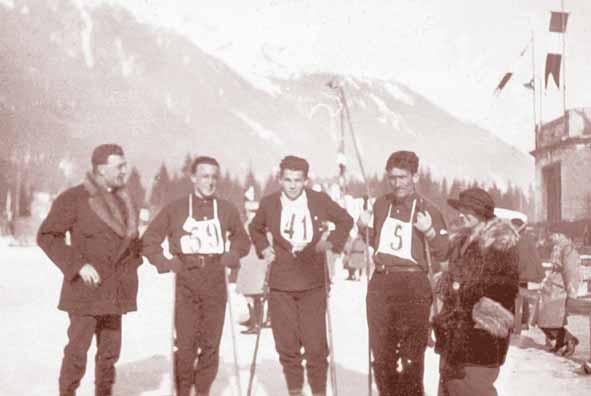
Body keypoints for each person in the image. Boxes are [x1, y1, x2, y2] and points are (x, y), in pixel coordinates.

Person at [37, 144, 143, 396]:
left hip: (115, 291)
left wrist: (137, 260)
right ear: (100, 169)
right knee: (77, 352)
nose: (124, 171)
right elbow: (47, 236)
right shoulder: (74, 198)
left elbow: (132, 243)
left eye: (124, 165)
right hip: (86, 292)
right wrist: (77, 265)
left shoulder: (125, 200)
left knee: (109, 355)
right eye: (119, 166)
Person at [141, 156, 251, 396]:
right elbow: (148, 241)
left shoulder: (226, 209)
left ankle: (202, 391)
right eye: (204, 176)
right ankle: (182, 391)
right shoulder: (176, 208)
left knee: (211, 345)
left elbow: (243, 240)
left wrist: (232, 255)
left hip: (214, 278)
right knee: (186, 344)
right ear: (193, 178)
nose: (210, 182)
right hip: (186, 278)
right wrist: (165, 262)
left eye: (214, 177)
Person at [248, 155, 353, 396]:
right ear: (280, 179)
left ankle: (318, 392)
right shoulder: (269, 203)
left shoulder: (318, 200)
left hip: (312, 281)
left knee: (316, 347)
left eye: (298, 180)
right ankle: (295, 391)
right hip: (281, 282)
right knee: (287, 346)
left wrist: (332, 245)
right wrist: (263, 247)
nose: (293, 185)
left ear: (306, 180)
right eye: (287, 180)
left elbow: (345, 220)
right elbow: (255, 228)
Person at [356, 150, 449, 396]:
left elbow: (443, 252)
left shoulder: (429, 210)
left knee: (411, 356)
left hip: (414, 284)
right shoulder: (380, 204)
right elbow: (374, 241)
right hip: (382, 283)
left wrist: (429, 231)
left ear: (415, 177)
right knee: (382, 355)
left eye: (402, 177)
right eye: (392, 177)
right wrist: (361, 227)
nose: (397, 183)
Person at [433, 188, 519, 396]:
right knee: (450, 388)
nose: (461, 214)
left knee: (472, 388)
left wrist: (462, 288)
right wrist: (447, 283)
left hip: (479, 336)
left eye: (468, 210)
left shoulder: (499, 243)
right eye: (460, 209)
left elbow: (504, 288)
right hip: (454, 335)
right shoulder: (462, 241)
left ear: (483, 213)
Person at [532, 232, 581, 356]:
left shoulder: (568, 249)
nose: (551, 237)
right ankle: (561, 342)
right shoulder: (558, 246)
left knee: (550, 318)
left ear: (562, 234)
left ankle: (569, 340)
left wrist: (571, 290)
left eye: (554, 234)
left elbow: (571, 271)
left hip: (559, 288)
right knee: (543, 318)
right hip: (551, 285)